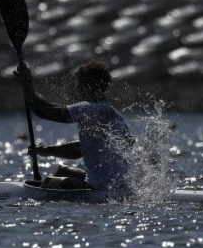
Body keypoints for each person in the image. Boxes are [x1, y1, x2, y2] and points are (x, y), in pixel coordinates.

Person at [14, 61, 133, 192]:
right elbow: (83, 147)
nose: (76, 88)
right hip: (122, 185)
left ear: (86, 86)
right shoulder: (113, 113)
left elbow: (43, 110)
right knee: (63, 170)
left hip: (101, 189)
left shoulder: (87, 108)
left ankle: (41, 195)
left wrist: (27, 85)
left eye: (78, 84)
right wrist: (46, 150)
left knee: (49, 182)